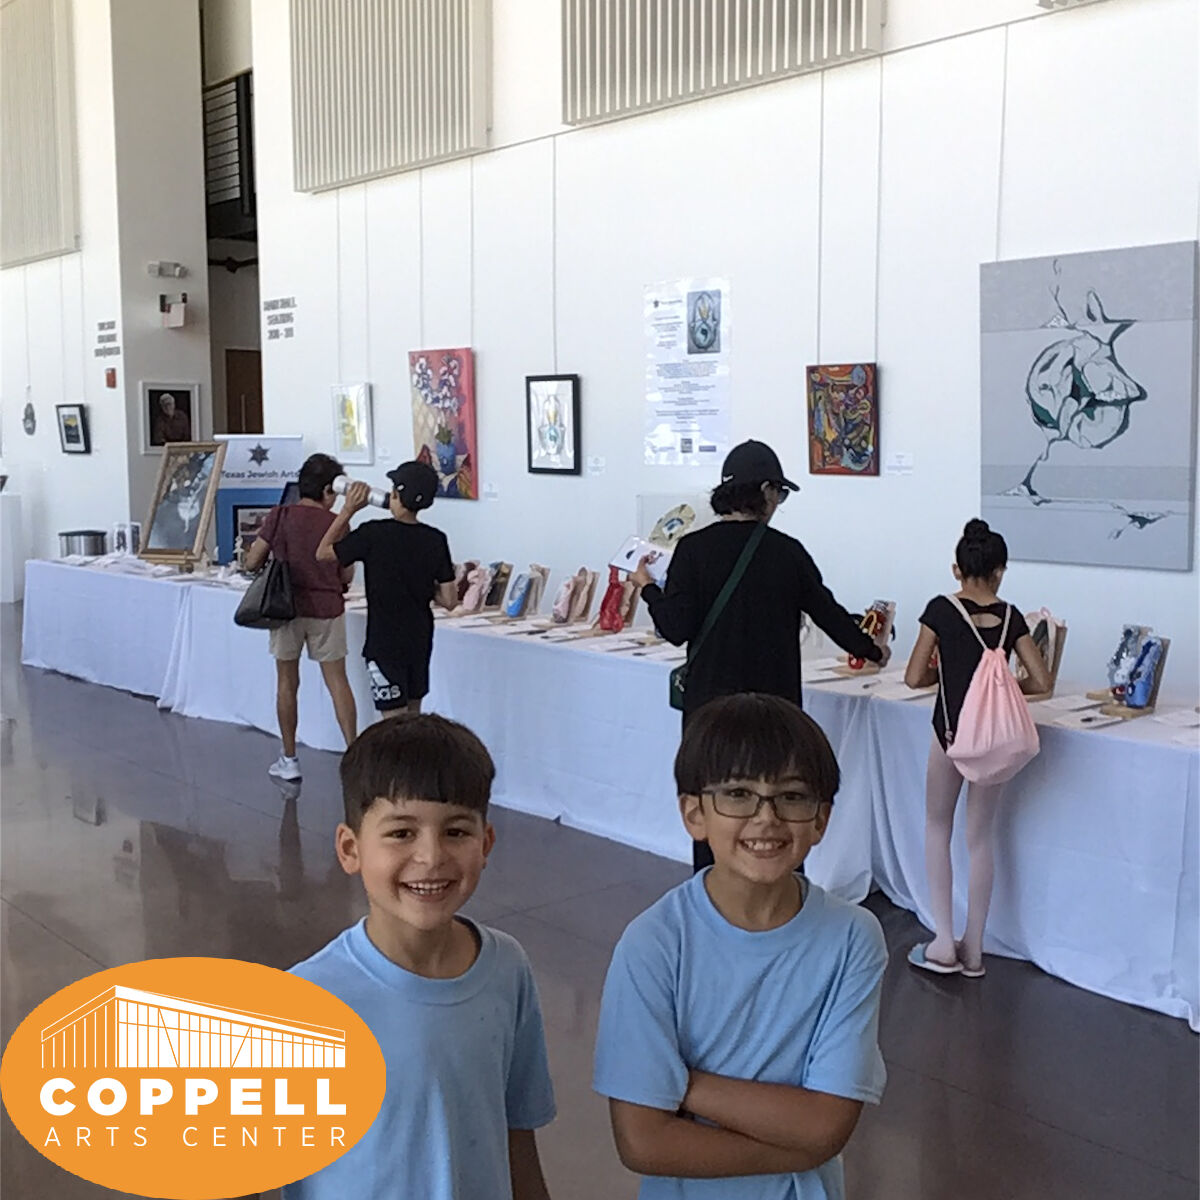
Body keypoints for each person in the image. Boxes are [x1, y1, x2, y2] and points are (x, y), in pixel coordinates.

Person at [593, 693, 887, 1200]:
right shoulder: (654, 944)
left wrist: (681, 1083)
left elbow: (826, 1125)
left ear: (821, 819)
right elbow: (642, 1142)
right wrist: (800, 1150)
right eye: (737, 793)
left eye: (791, 796)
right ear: (694, 813)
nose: (766, 818)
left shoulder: (852, 938)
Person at [283, 715, 556, 1200]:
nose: (431, 857)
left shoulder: (507, 969)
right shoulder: (300, 1004)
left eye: (456, 832)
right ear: (350, 849)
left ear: (486, 843)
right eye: (401, 833)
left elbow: (517, 1135)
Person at [632, 439, 889, 870]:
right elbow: (829, 614)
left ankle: (712, 898)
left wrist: (648, 589)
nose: (778, 503)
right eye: (780, 493)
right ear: (765, 491)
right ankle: (784, 897)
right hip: (776, 712)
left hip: (711, 711)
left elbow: (675, 629)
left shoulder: (693, 549)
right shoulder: (788, 552)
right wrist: (872, 650)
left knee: (716, 810)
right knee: (781, 809)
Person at [903, 519, 1051, 977]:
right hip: (994, 741)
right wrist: (998, 690)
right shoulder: (1012, 617)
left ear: (956, 569)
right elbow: (1041, 681)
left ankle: (942, 943)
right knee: (981, 837)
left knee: (936, 826)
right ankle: (974, 950)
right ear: (1000, 571)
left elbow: (913, 677)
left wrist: (948, 676)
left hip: (949, 734)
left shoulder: (940, 610)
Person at [245, 453, 358, 783]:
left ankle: (289, 757)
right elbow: (346, 574)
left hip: (286, 609)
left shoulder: (280, 516)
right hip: (327, 608)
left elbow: (253, 561)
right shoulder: (338, 523)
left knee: (287, 682)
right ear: (328, 490)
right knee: (338, 682)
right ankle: (353, 756)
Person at [316, 461, 458, 717]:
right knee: (413, 717)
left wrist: (347, 511)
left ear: (396, 495)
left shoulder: (373, 533)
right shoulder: (436, 539)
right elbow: (449, 599)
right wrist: (421, 585)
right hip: (419, 638)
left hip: (385, 640)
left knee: (392, 721)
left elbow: (323, 553)